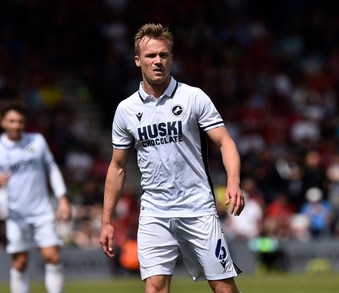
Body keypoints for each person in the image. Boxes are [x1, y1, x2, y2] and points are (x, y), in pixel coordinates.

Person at [99, 23, 245, 293]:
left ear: (171, 59)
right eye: (151, 56)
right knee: (155, 288)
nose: (157, 61)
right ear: (137, 61)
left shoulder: (193, 97)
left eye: (163, 55)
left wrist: (234, 181)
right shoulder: (126, 110)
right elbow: (117, 167)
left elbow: (225, 142)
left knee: (223, 288)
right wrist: (106, 221)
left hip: (198, 208)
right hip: (155, 211)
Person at [0, 100, 71, 293]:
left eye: (20, 121)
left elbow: (52, 168)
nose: (16, 125)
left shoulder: (37, 141)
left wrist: (63, 198)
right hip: (17, 216)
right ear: (2, 122)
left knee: (52, 257)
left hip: (43, 211)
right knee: (20, 262)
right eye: (12, 121)